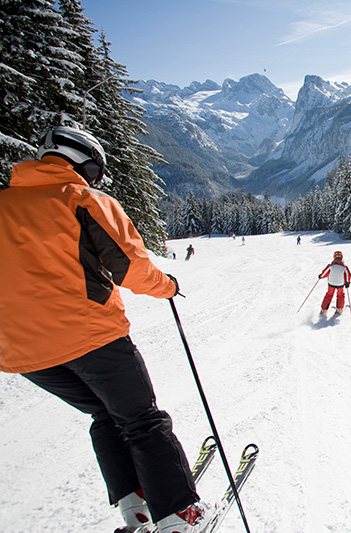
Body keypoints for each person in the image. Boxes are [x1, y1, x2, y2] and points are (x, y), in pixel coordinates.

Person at [0, 126, 212, 533]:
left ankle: (136, 508)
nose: (95, 179)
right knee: (142, 421)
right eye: (95, 170)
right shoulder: (83, 200)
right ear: (85, 162)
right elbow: (131, 268)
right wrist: (167, 285)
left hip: (22, 353)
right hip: (90, 336)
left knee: (105, 413)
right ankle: (180, 516)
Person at [318, 250, 351, 314]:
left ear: (334, 257)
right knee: (340, 295)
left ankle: (324, 309)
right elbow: (348, 275)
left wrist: (321, 276)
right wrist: (347, 282)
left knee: (329, 295)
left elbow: (325, 272)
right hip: (340, 284)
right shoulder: (344, 267)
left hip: (331, 283)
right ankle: (339, 308)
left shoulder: (331, 266)